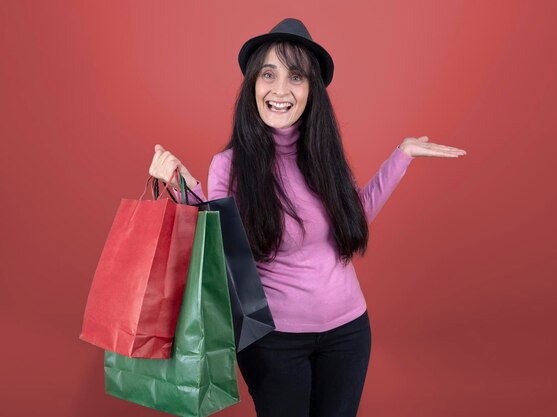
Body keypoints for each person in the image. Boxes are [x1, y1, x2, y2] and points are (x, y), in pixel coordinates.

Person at [148, 18, 466, 417]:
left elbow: (353, 218)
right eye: (268, 74)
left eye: (295, 77)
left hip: (348, 332)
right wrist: (183, 184)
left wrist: (401, 156)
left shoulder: (325, 156)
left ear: (312, 91)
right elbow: (221, 246)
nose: (280, 90)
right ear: (253, 85)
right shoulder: (229, 166)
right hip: (272, 341)